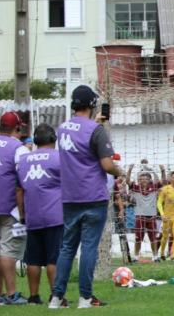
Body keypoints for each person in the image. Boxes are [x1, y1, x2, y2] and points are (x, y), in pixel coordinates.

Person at [50, 85, 122, 309]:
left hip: (69, 196)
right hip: (93, 195)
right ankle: (85, 297)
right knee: (89, 247)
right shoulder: (96, 131)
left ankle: (56, 298)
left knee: (67, 247)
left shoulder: (61, 128)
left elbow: (79, 144)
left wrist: (96, 124)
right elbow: (107, 164)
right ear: (92, 105)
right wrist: (120, 173)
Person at [0, 112, 30, 306]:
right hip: (10, 207)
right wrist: (23, 212)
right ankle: (12, 294)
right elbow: (22, 182)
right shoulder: (18, 149)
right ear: (16, 128)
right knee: (7, 250)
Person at [17, 124, 62, 305]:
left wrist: (22, 215)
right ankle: (55, 295)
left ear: (35, 141)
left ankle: (33, 296)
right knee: (54, 257)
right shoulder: (59, 158)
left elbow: (19, 190)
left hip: (32, 215)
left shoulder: (24, 160)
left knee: (33, 259)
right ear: (53, 139)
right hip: (55, 214)